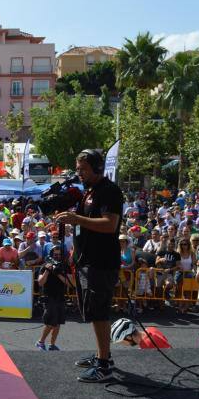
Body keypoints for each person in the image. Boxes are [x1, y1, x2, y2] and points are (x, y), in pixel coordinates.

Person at [55, 149, 124, 383]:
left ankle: (104, 365)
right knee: (93, 312)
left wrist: (77, 219)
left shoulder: (110, 191)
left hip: (102, 262)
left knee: (100, 313)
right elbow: (84, 227)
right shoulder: (90, 191)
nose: (79, 173)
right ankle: (101, 355)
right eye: (77, 168)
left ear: (97, 168)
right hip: (87, 260)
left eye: (83, 169)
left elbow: (109, 225)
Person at [35, 247, 71, 351]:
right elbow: (40, 282)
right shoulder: (45, 266)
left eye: (59, 254)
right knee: (51, 322)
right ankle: (40, 342)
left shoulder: (65, 266)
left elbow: (69, 283)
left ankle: (52, 344)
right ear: (51, 255)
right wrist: (47, 270)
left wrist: (58, 273)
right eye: (55, 254)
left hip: (61, 296)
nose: (57, 256)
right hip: (49, 296)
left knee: (58, 322)